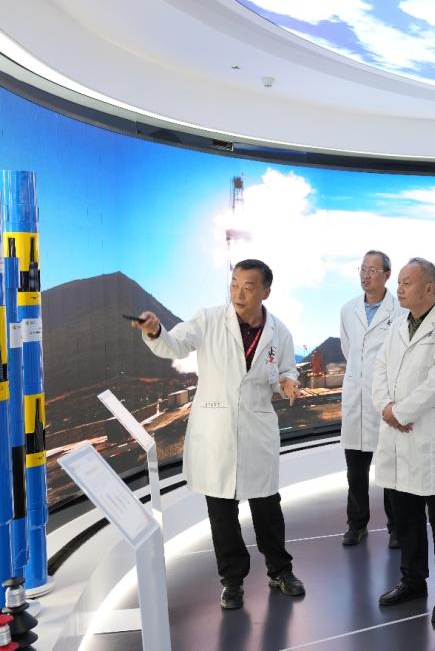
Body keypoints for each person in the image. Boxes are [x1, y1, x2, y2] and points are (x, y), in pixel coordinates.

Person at [132, 259, 305, 611]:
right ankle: (232, 582)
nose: (238, 293)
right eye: (234, 284)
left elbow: (286, 370)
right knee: (221, 512)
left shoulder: (279, 332)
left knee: (267, 508)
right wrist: (155, 330)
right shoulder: (210, 320)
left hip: (256, 429)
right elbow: (174, 345)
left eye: (248, 287)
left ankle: (280, 571)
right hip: (217, 431)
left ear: (266, 292)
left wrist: (289, 382)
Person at [372, 258, 435, 625]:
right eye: (399, 282)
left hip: (429, 435)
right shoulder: (398, 326)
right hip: (398, 435)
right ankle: (412, 580)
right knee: (406, 516)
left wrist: (401, 412)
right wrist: (386, 408)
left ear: (429, 288)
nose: (399, 288)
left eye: (407, 282)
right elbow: (379, 370)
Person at [339, 250, 399, 547]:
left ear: (387, 275)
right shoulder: (348, 309)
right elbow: (348, 349)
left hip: (385, 398)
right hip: (356, 398)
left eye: (372, 270)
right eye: (362, 269)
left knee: (390, 469)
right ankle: (357, 524)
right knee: (355, 470)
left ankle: (396, 527)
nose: (366, 275)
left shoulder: (399, 310)